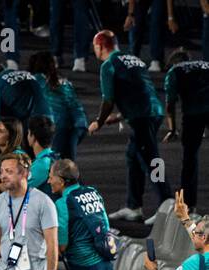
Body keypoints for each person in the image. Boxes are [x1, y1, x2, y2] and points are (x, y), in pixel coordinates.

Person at [88, 30, 172, 222]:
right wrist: (119, 116)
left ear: (100, 46)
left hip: (142, 116)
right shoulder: (134, 60)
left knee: (151, 160)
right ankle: (134, 206)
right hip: (152, 111)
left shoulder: (108, 65)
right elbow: (139, 90)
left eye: (95, 47)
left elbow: (108, 100)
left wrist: (98, 122)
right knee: (133, 156)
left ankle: (168, 205)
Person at [162, 51, 209, 212]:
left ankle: (189, 204)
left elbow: (170, 105)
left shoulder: (174, 72)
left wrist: (172, 129)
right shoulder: (205, 64)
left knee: (190, 159)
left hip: (193, 114)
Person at [31, 51, 88, 161]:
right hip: (80, 122)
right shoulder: (62, 79)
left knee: (57, 166)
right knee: (68, 164)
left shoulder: (37, 79)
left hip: (61, 125)